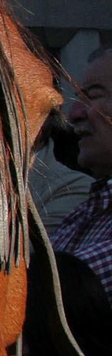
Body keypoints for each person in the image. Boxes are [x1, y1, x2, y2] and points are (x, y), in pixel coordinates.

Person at [54, 48, 112, 296]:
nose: (73, 114)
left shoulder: (67, 192)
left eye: (93, 96)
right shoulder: (85, 211)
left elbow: (49, 296)